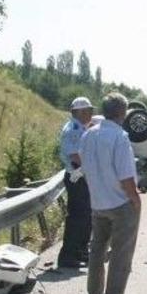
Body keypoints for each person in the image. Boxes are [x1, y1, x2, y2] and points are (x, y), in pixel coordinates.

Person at [78, 92, 141, 294]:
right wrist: (136, 199)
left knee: (97, 252)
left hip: (98, 202)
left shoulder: (88, 135)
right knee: (120, 253)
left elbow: (83, 167)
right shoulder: (119, 137)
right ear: (123, 113)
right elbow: (125, 177)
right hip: (120, 202)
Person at [57, 96, 94, 268]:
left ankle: (80, 251)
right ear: (77, 112)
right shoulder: (73, 129)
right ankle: (68, 256)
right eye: (87, 110)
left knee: (85, 217)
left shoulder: (81, 127)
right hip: (77, 177)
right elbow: (75, 156)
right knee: (78, 218)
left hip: (81, 177)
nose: (90, 113)